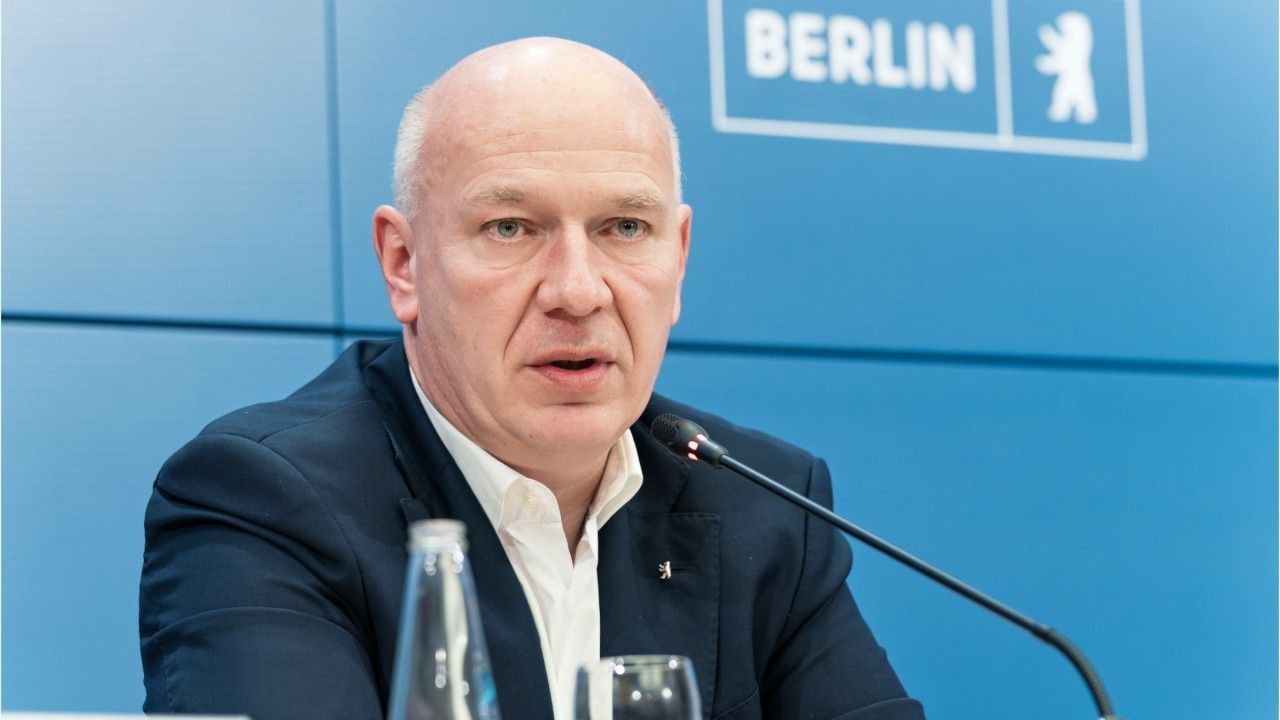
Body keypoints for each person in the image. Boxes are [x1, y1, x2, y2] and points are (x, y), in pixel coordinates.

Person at [139, 37, 925, 720]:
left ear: (678, 258)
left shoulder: (764, 506)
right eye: (510, 228)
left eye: (625, 227)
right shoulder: (264, 501)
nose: (578, 291)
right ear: (404, 265)